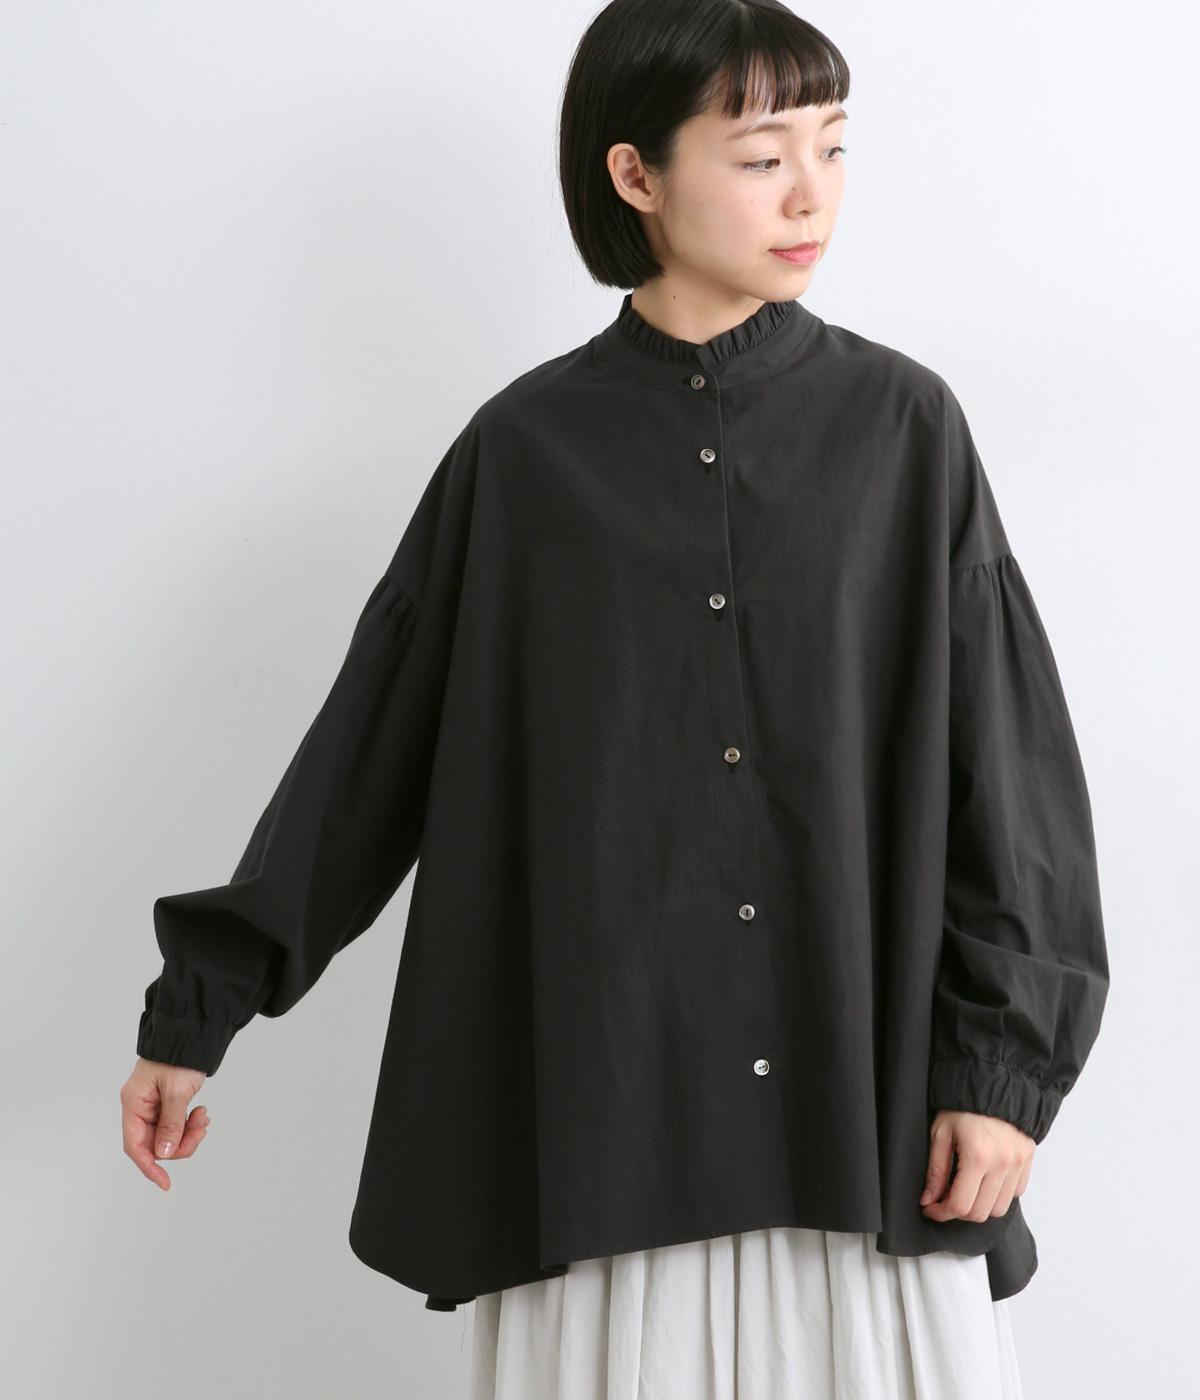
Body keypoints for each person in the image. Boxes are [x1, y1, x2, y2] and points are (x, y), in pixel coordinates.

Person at [121, 2, 1109, 1397]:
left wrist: (1001, 1078)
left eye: (833, 146)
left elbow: (1008, 782)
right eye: (763, 156)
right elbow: (368, 759)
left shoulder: (907, 431)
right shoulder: (522, 457)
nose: (813, 193)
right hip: (608, 1129)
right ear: (634, 174)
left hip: (870, 1132)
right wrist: (200, 1010)